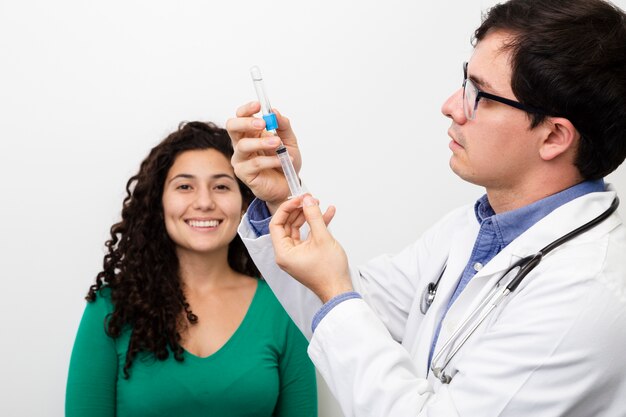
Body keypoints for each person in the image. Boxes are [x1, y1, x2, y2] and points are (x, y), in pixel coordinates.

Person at [226, 0, 626, 415]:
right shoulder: (476, 227)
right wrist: (280, 198)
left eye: (481, 94)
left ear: (553, 137)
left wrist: (333, 288)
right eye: (463, 81)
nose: (452, 105)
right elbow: (354, 312)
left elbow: (339, 300)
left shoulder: (584, 293)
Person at [65, 122, 317, 417]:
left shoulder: (285, 305)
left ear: (244, 202)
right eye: (185, 186)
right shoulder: (110, 308)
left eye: (221, 186)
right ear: (158, 203)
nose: (204, 202)